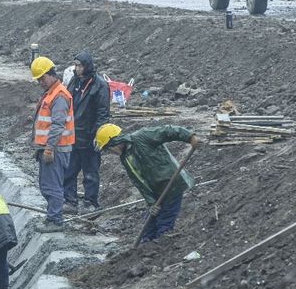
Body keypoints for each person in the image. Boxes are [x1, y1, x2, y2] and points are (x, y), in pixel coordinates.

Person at [94, 123, 203, 243]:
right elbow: (139, 182)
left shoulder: (142, 136)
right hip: (156, 190)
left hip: (172, 184)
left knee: (164, 221)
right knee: (149, 227)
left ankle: (162, 247)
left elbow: (168, 131)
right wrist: (151, 203)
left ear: (114, 142)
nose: (110, 152)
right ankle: (145, 250)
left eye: (108, 149)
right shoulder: (125, 157)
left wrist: (190, 137)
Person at [30, 56, 74, 232]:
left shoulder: (60, 95)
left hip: (56, 149)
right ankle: (52, 216)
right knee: (46, 185)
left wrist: (49, 148)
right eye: (38, 79)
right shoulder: (50, 93)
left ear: (51, 74)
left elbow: (57, 124)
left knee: (52, 185)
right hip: (49, 148)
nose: (40, 82)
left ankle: (55, 220)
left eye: (42, 78)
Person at [63, 51, 111, 214]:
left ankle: (91, 203)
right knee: (69, 170)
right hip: (73, 135)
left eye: (79, 66)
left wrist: (99, 135)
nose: (77, 69)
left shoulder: (100, 85)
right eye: (75, 65)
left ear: (87, 66)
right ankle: (70, 201)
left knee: (90, 172)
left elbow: (103, 113)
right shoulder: (74, 82)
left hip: (89, 137)